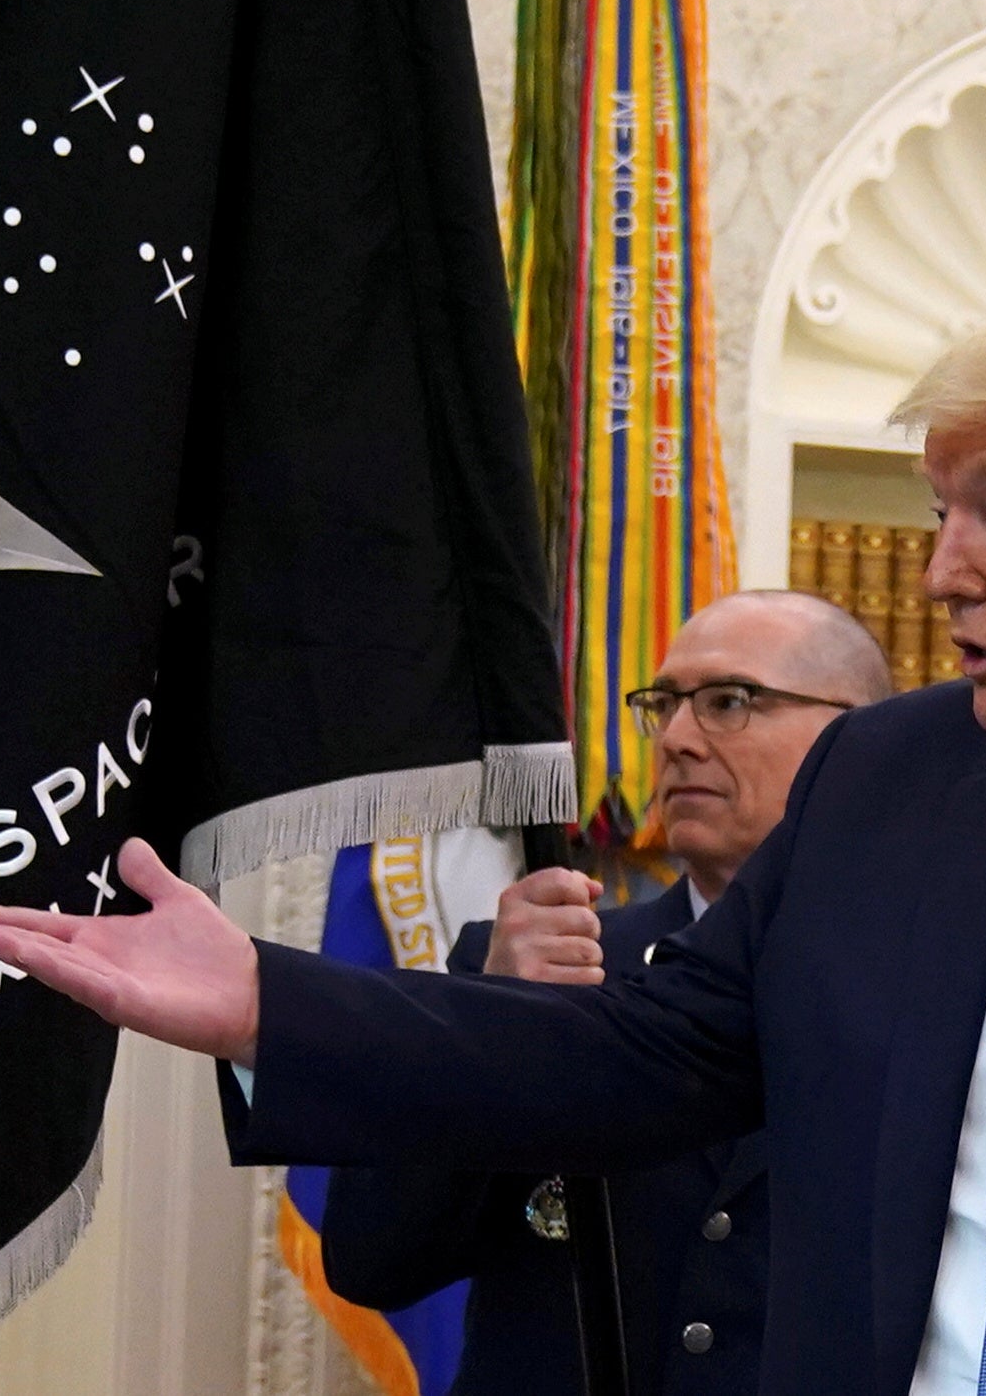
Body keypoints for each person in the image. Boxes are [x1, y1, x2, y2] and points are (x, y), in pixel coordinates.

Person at [0, 296, 986, 1395]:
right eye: (936, 515)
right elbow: (635, 1054)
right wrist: (267, 1002)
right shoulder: (889, 783)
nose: (937, 576)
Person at [320, 591, 892, 1396]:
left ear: (857, 740)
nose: (680, 740)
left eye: (730, 702)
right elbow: (372, 1258)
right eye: (664, 706)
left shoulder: (937, 985)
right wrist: (492, 1024)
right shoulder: (539, 965)